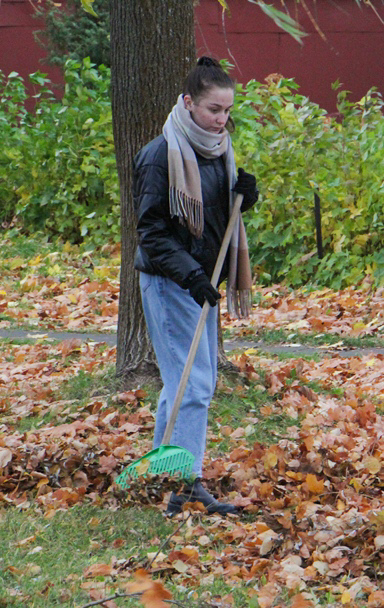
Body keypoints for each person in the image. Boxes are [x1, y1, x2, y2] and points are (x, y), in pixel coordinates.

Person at [132, 56, 259, 516]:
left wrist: (243, 198)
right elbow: (152, 232)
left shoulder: (217, 149)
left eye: (227, 111)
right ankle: (185, 485)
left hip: (199, 283)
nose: (221, 120)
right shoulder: (160, 155)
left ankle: (162, 475)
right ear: (188, 103)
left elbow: (213, 222)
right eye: (213, 110)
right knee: (195, 385)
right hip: (170, 284)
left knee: (182, 384)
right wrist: (191, 276)